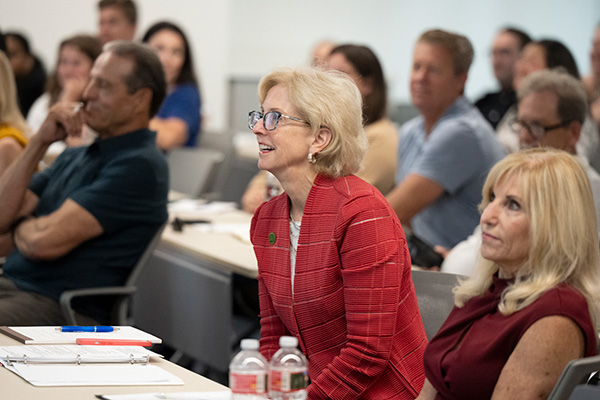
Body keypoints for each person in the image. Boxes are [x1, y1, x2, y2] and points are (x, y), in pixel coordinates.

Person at [249, 67, 427, 399]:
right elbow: (273, 339)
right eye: (259, 116)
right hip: (314, 391)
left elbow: (367, 353)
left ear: (320, 138)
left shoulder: (363, 213)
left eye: (274, 118)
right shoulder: (267, 219)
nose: (258, 128)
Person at [0, 40, 169, 325]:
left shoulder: (140, 166)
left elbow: (42, 243)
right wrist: (39, 142)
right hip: (17, 288)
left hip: (60, 308)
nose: (87, 93)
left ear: (140, 99)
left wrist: (18, 224)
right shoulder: (76, 155)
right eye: (91, 80)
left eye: (102, 86)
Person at [417, 148, 600, 399]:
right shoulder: (488, 288)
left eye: (512, 205)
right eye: (492, 197)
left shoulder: (556, 316)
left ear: (553, 224)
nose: (488, 215)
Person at [442, 69, 600, 277]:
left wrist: (455, 262)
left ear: (573, 132)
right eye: (521, 124)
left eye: (537, 126)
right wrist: (452, 258)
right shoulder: (516, 177)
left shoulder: (585, 191)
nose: (524, 137)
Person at [241, 44, 398, 213]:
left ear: (320, 138)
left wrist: (274, 199)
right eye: (324, 73)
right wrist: (259, 194)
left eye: (338, 74)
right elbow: (267, 179)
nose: (325, 82)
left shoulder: (381, 137)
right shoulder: (287, 151)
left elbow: (340, 201)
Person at [386, 29, 505, 250]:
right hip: (430, 261)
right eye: (416, 67)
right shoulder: (410, 131)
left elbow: (394, 210)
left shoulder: (462, 132)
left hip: (465, 271)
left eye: (433, 70)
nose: (420, 78)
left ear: (461, 80)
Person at [496, 38, 600, 166]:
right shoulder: (515, 110)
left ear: (555, 71)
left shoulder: (576, 118)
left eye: (531, 61)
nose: (520, 67)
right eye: (521, 58)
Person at [142, 21, 202, 150]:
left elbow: (169, 138)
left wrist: (122, 112)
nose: (166, 59)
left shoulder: (186, 94)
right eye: (159, 49)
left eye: (176, 52)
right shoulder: (137, 91)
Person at [27, 34, 102, 134]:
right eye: (63, 62)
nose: (68, 70)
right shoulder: (43, 103)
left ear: (94, 67)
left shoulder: (103, 104)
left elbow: (79, 143)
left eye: (76, 63)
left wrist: (69, 100)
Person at [475, 27, 531, 129]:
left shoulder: (534, 105)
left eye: (504, 52)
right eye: (493, 53)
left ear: (525, 56)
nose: (496, 61)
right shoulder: (483, 104)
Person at [4, 31, 47, 116]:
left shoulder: (44, 88)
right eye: (3, 56)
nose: (6, 61)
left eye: (12, 54)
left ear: (29, 57)